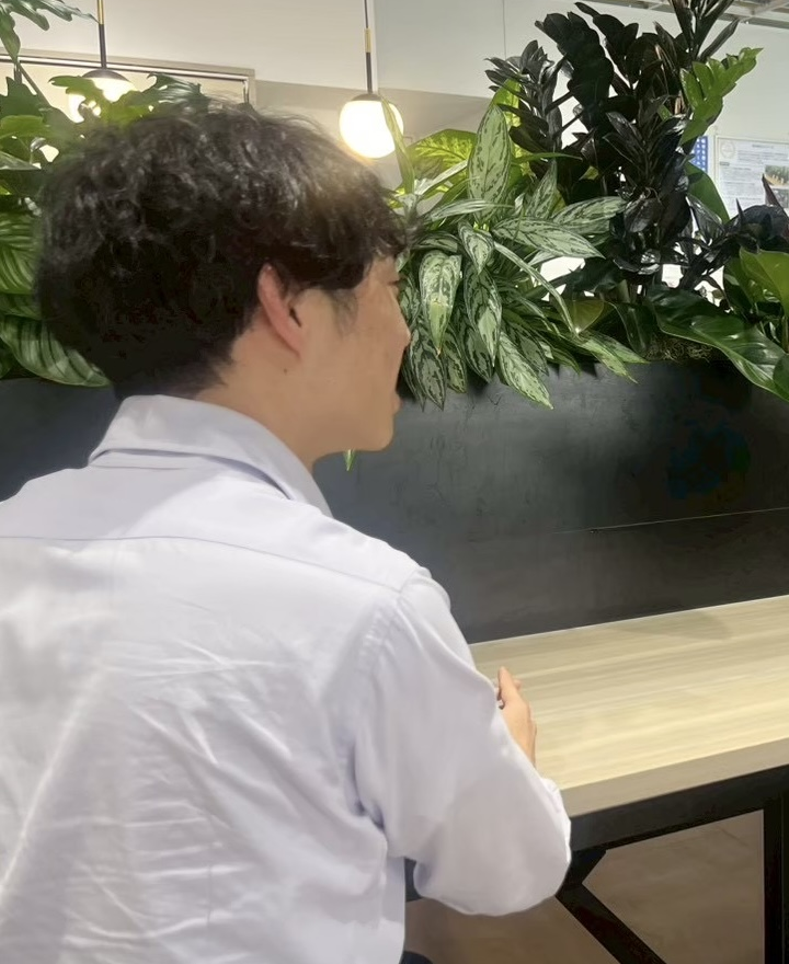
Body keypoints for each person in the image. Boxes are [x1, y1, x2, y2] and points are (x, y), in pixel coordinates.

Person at [0, 106, 572, 963]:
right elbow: (508, 869)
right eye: (390, 289)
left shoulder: (13, 539)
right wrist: (512, 758)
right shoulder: (363, 602)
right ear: (287, 305)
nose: (406, 330)